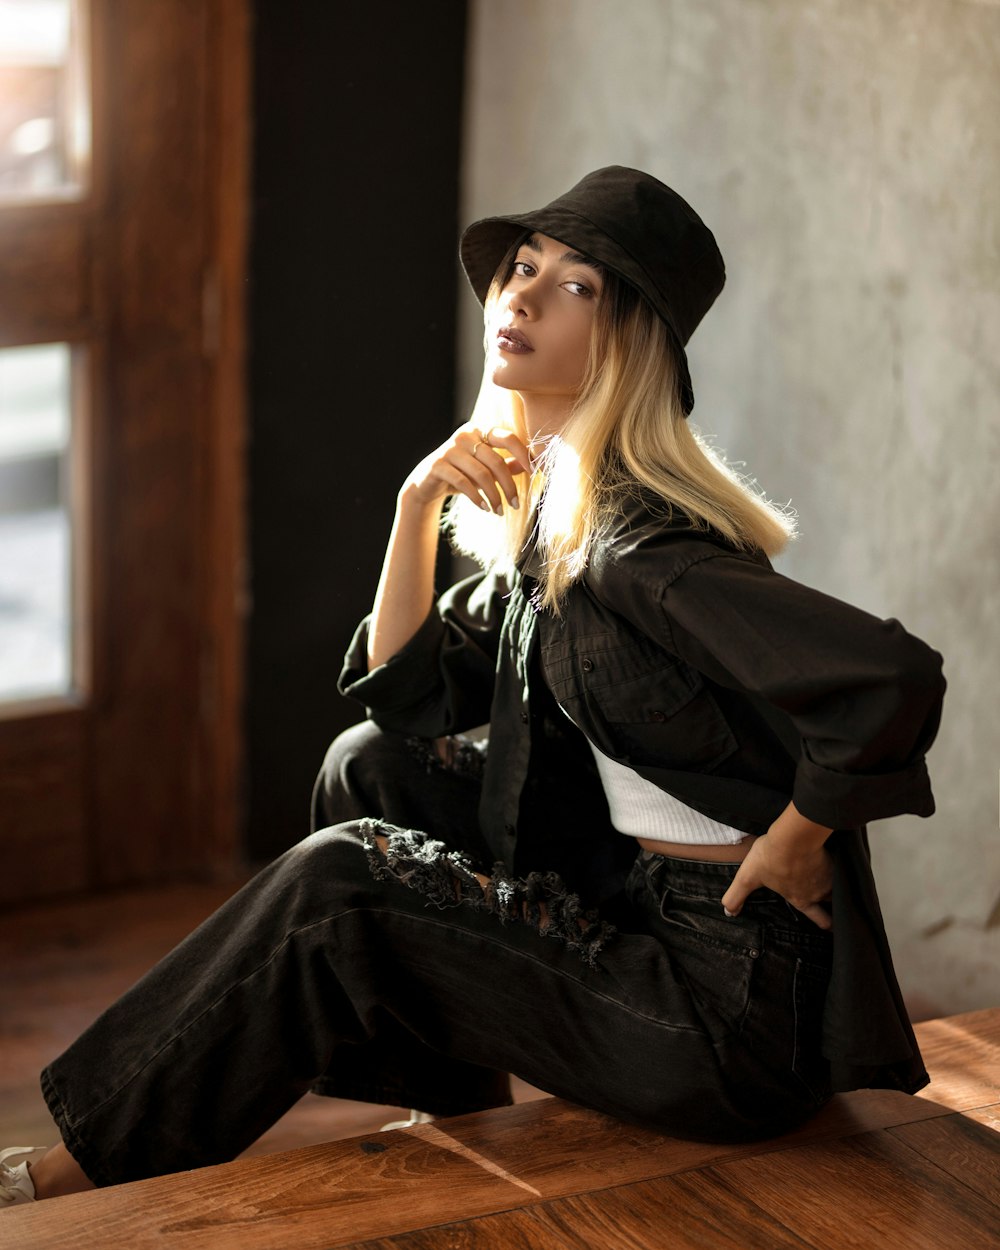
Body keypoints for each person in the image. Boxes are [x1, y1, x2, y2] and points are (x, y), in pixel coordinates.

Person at [2, 166, 945, 1205]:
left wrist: (793, 838)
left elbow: (888, 675)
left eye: (577, 285)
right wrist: (416, 503)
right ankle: (454, 1114)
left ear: (628, 341)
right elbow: (405, 695)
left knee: (340, 879)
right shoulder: (561, 527)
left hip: (729, 1012)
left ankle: (64, 1178)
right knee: (369, 769)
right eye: (523, 266)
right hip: (636, 905)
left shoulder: (638, 550)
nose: (524, 295)